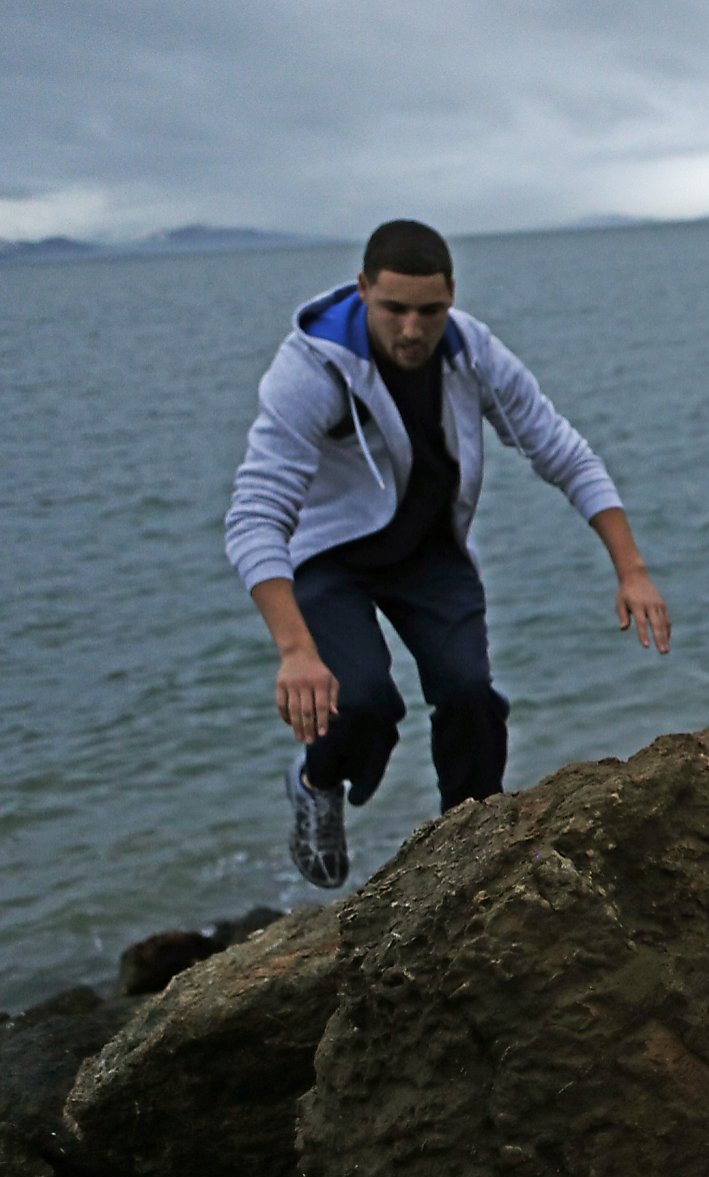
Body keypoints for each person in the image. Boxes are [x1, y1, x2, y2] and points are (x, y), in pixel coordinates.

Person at [225, 219, 670, 888]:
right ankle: (317, 782)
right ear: (363, 290)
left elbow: (563, 452)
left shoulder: (471, 351)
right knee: (364, 701)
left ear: (453, 296)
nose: (412, 329)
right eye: (394, 309)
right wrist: (295, 649)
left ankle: (468, 855)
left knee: (471, 698)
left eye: (430, 311)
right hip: (330, 557)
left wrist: (631, 571)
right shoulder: (311, 369)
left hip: (429, 549)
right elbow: (255, 516)